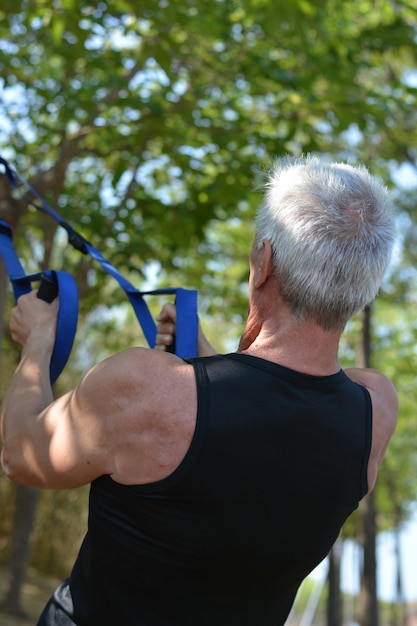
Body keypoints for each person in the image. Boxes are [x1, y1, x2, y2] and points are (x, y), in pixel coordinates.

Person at [1, 155, 398, 626]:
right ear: (364, 287)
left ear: (263, 262)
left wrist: (38, 343)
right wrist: (206, 360)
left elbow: (21, 454)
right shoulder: (374, 411)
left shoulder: (144, 389)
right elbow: (269, 417)